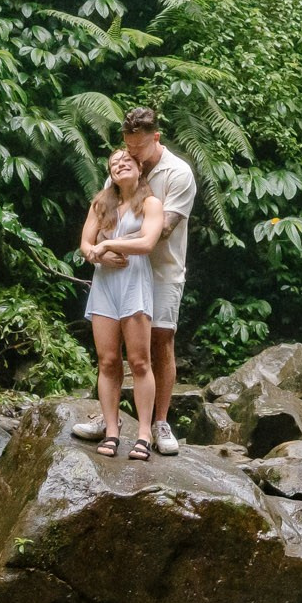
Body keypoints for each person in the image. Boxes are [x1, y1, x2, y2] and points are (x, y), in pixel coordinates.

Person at [72, 148, 163, 461]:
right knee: (108, 360)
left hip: (135, 283)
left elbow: (148, 242)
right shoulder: (101, 204)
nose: (120, 165)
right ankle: (112, 431)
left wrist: (109, 243)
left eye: (126, 161)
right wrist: (99, 253)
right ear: (109, 173)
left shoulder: (151, 204)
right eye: (114, 163)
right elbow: (85, 244)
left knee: (139, 361)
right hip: (105, 284)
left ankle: (144, 434)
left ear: (139, 168)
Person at [122, 106, 195, 455]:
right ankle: (110, 416)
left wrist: (139, 183)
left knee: (161, 341)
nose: (133, 153)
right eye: (129, 146)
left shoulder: (179, 172)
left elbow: (163, 230)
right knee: (118, 343)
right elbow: (106, 209)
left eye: (140, 148)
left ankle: (160, 421)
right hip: (124, 268)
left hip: (164, 269)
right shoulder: (122, 164)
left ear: (156, 138)